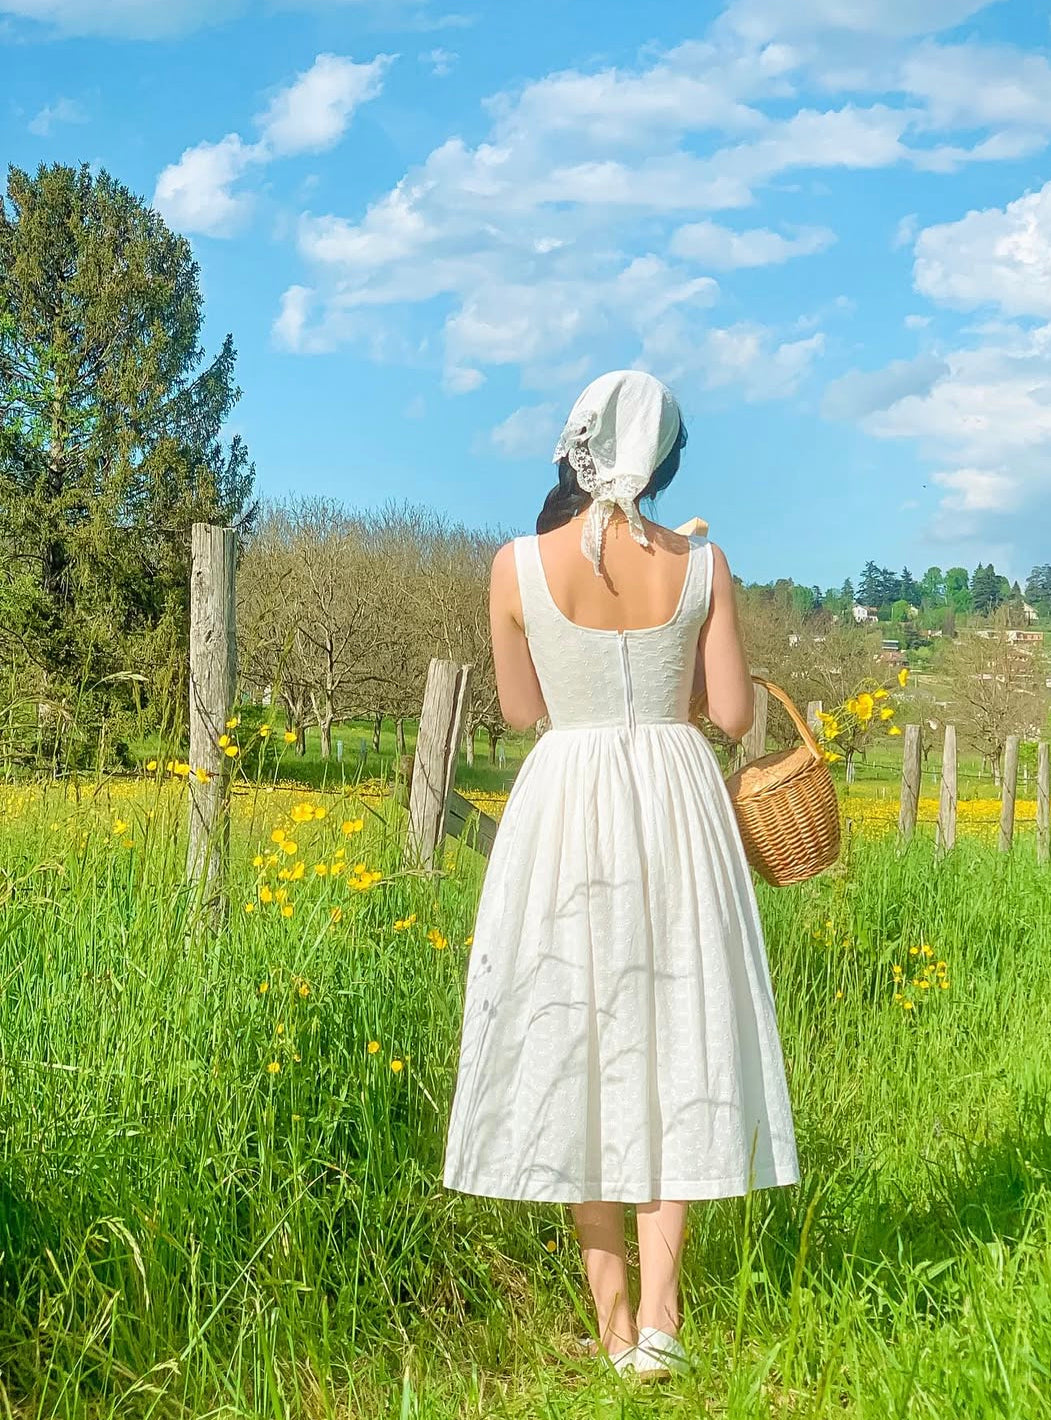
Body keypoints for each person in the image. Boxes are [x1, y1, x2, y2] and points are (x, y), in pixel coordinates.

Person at [442, 370, 799, 1381]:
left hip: (567, 806)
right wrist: (673, 660)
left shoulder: (514, 565)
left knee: (575, 1034)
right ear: (664, 460)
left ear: (575, 449)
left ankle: (608, 1330)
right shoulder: (704, 562)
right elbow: (733, 715)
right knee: (677, 1030)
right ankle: (661, 1318)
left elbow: (522, 711)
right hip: (675, 805)